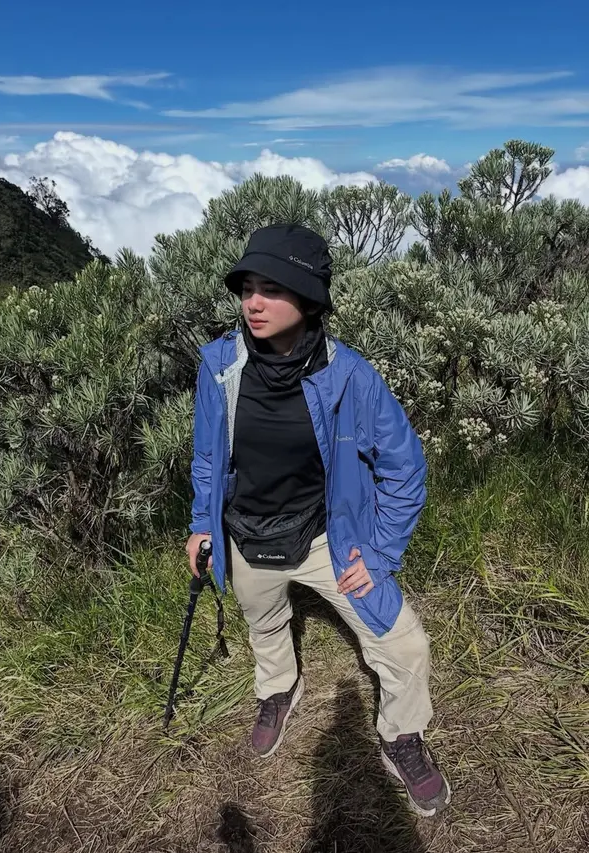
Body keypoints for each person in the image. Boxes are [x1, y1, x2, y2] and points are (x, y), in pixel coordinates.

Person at [185, 224, 451, 818]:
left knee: (405, 646)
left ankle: (400, 734)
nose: (252, 303)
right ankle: (278, 690)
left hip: (330, 538)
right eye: (247, 287)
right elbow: (207, 456)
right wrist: (204, 524)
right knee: (264, 622)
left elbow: (404, 469)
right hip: (246, 534)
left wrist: (378, 554)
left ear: (308, 301)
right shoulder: (221, 366)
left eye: (271, 290)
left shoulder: (351, 377)